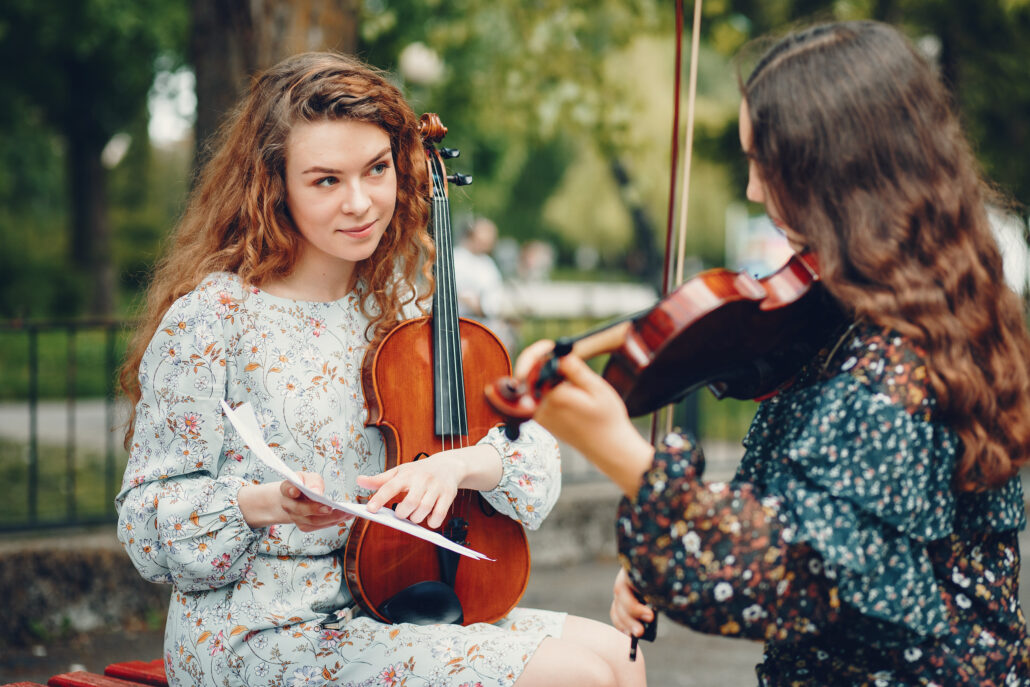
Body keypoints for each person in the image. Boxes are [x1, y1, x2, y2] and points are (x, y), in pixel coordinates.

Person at [513, 20, 1030, 685]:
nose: (754, 190)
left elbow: (786, 574)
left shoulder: (898, 361)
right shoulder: (906, 307)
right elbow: (831, 502)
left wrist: (623, 454)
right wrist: (683, 529)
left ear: (839, 173)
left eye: (767, 165)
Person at [115, 51, 645, 687]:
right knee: (574, 677)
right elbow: (146, 526)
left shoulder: (408, 303)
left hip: (403, 601)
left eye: (376, 169)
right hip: (263, 631)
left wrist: (459, 464)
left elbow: (532, 457)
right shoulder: (213, 320)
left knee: (620, 654)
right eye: (326, 180)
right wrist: (267, 503)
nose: (361, 202)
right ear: (273, 185)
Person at [453, 215, 518, 351]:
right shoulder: (456, 257)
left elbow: (494, 296)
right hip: (461, 323)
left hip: (485, 322)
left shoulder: (488, 263)